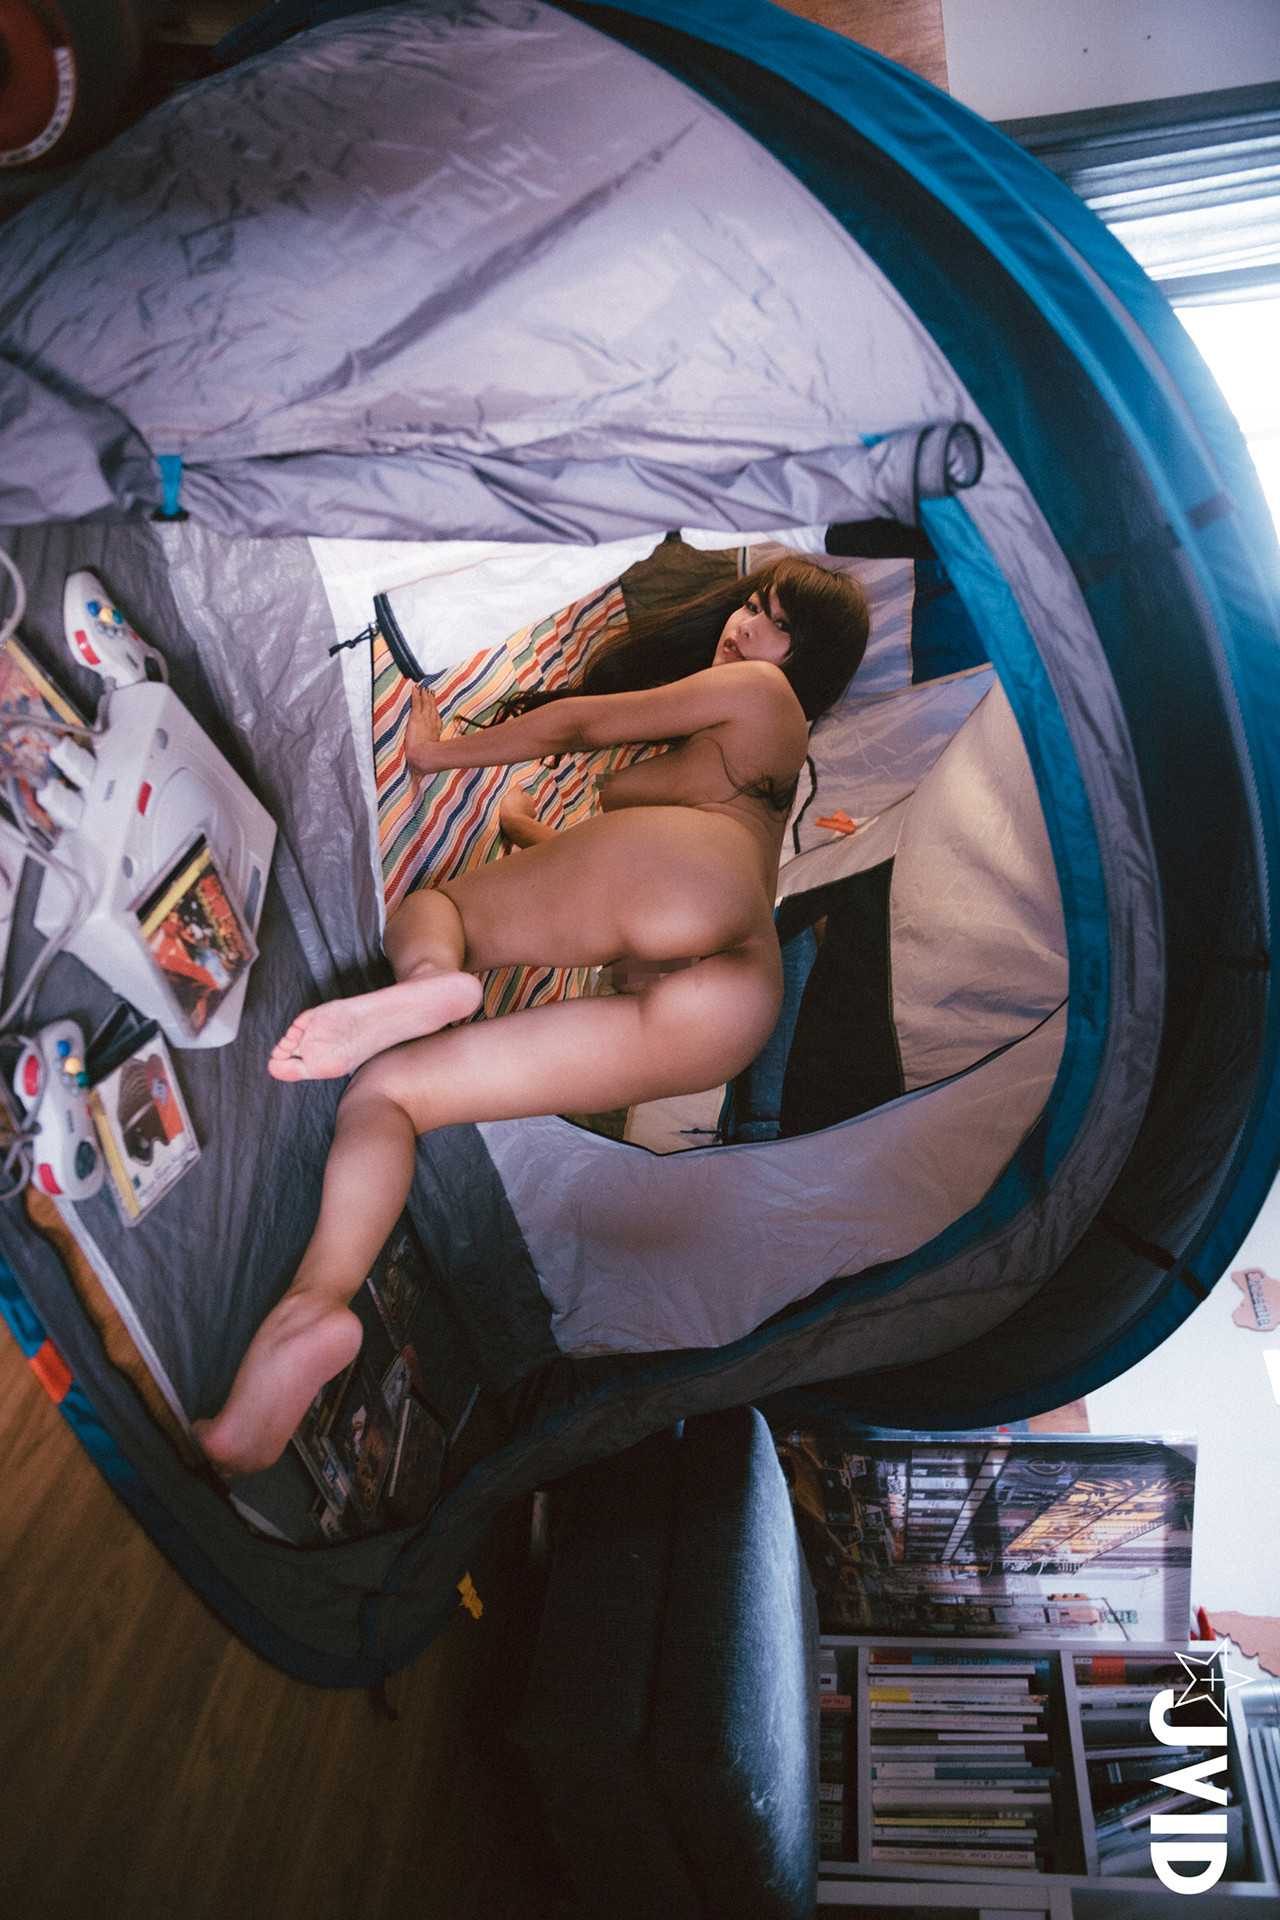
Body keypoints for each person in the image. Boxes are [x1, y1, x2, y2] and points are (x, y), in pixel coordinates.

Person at [194, 555, 869, 1477]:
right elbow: (654, 871)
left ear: (805, 661)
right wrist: (532, 837)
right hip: (729, 1011)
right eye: (751, 603)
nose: (745, 625)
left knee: (437, 910)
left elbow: (585, 727)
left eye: (775, 623)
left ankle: (435, 976)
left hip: (680, 897)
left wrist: (437, 755)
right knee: (391, 1095)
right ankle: (316, 1305)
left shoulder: (760, 693)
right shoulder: (772, 778)